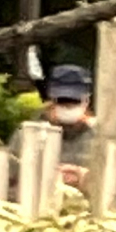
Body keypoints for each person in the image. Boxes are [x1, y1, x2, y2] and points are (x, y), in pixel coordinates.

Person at [43, 61, 95, 191]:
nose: (68, 106)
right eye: (63, 101)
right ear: (52, 100)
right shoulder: (30, 136)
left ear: (86, 102)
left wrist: (85, 178)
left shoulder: (99, 139)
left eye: (74, 101)